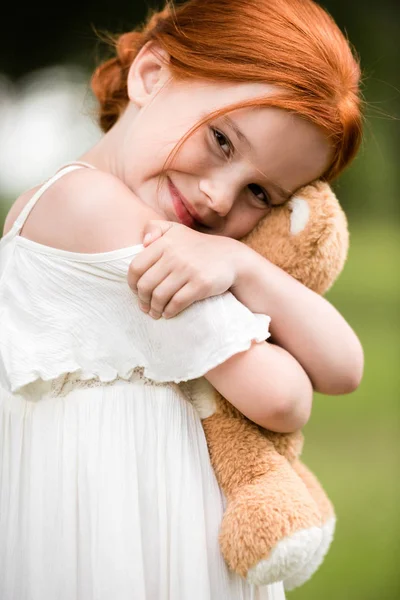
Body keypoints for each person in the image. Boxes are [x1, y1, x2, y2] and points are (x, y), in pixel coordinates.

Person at [0, 0, 364, 598]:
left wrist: (243, 263)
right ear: (151, 75)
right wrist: (243, 276)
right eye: (222, 140)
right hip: (111, 550)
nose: (220, 199)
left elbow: (346, 368)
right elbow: (284, 398)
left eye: (261, 194)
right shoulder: (91, 212)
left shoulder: (202, 253)